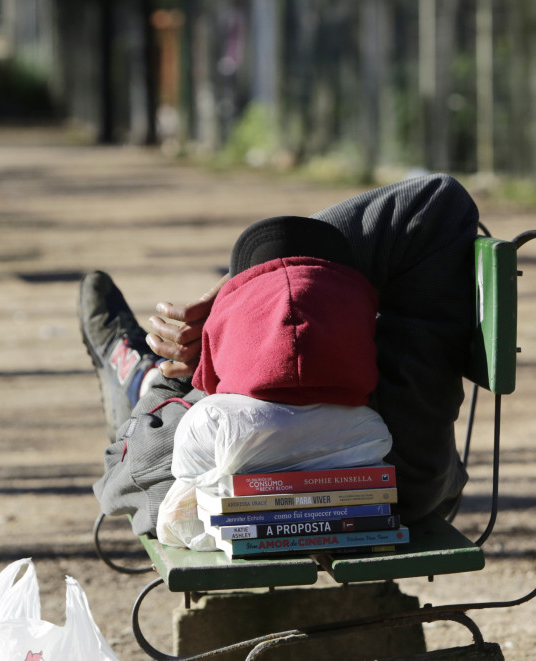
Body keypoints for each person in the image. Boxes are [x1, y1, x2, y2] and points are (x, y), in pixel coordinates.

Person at [80, 173, 479, 531]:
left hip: (212, 463)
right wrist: (273, 272)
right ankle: (154, 377)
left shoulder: (191, 454)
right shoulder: (407, 466)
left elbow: (117, 481)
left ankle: (141, 377)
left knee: (160, 396)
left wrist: (177, 377)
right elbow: (438, 204)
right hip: (390, 493)